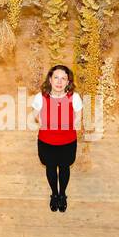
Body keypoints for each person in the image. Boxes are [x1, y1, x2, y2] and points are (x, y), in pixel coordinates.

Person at [30, 64, 82, 212]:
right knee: (51, 167)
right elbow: (35, 115)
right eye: (56, 78)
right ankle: (54, 194)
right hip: (47, 141)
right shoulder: (40, 97)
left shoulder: (75, 97)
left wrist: (69, 125)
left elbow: (78, 116)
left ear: (68, 82)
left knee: (64, 167)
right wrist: (45, 123)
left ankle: (62, 194)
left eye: (63, 78)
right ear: (50, 80)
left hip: (68, 141)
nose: (59, 82)